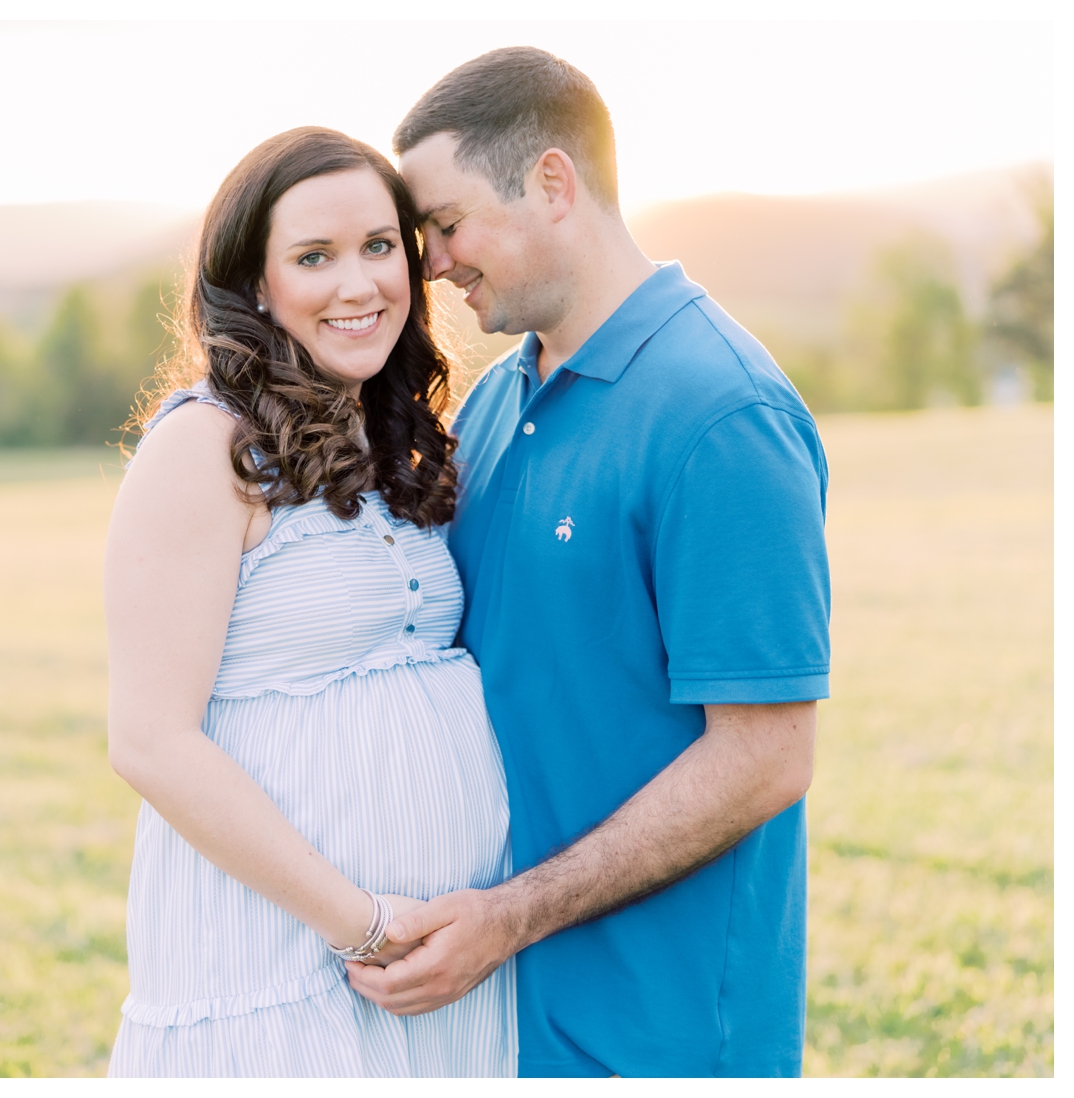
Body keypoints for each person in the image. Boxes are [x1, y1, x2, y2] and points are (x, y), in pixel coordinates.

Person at [347, 48, 831, 1078]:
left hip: (665, 1032)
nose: (429, 263)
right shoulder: (492, 402)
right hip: (503, 1016)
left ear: (553, 183)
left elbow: (765, 756)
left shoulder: (720, 414)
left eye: (444, 224)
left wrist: (511, 917)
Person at [102, 126, 515, 1077]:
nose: (358, 283)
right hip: (284, 963)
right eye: (314, 257)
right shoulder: (202, 449)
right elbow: (150, 741)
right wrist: (361, 926)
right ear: (256, 284)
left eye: (379, 247)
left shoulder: (395, 438)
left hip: (439, 970)